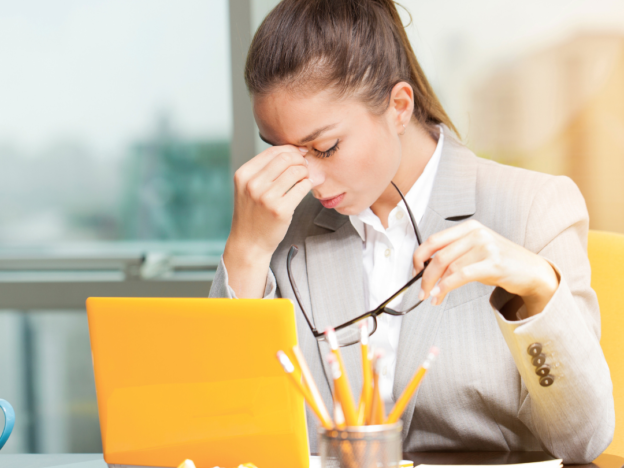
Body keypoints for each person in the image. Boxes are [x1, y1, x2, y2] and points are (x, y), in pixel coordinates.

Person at [209, 0, 614, 462]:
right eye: (280, 152)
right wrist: (245, 249)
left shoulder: (531, 207)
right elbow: (228, 428)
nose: (308, 180)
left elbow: (584, 439)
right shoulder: (279, 230)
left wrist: (538, 288)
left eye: (324, 147)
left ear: (399, 106)